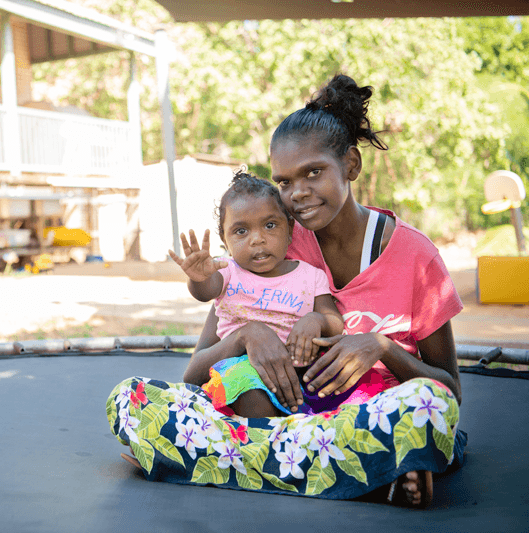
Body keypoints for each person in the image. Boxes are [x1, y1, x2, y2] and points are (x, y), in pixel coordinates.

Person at [107, 74, 465, 508]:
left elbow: (449, 389)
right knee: (131, 399)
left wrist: (382, 347)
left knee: (429, 405)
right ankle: (360, 474)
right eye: (284, 182)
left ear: (351, 165)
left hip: (360, 417)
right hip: (280, 420)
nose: (298, 194)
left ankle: (226, 463)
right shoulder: (273, 245)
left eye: (313, 172)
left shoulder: (416, 256)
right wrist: (246, 335)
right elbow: (197, 372)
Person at [168, 171, 344, 418]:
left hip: (299, 376)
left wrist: (315, 320)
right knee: (250, 389)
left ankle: (292, 434)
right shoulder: (227, 271)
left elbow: (335, 322)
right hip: (241, 373)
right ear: (225, 240)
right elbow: (205, 291)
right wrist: (199, 278)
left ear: (290, 229)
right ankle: (261, 439)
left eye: (270, 225)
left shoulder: (310, 276)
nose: (257, 239)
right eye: (241, 231)